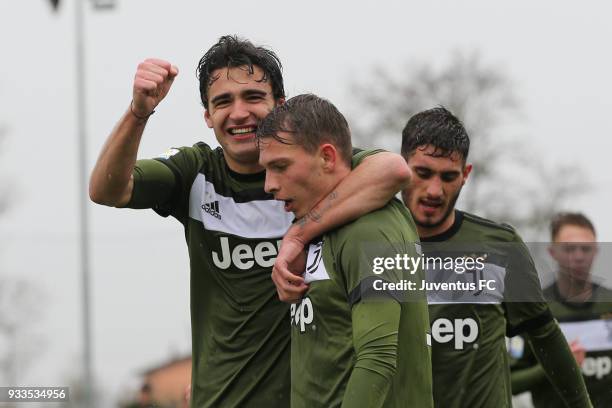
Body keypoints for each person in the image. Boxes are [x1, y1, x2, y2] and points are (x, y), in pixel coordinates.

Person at [88, 36, 411, 407]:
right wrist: (138, 111)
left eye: (253, 98)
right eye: (222, 102)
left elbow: (393, 169)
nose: (239, 113)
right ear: (208, 116)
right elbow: (106, 190)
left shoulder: (315, 175)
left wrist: (299, 233)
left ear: (280, 106)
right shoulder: (196, 172)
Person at [398, 107, 592, 407]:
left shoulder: (500, 246)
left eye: (448, 176)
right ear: (400, 167)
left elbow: (545, 335)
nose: (434, 190)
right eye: (423, 173)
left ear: (465, 175)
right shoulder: (368, 241)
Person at [257, 93, 433, 408]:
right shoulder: (318, 224)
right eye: (266, 170)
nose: (268, 184)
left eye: (280, 166)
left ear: (326, 157)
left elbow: (377, 359)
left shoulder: (370, 231)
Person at [511, 212, 612, 407]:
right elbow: (510, 381)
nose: (578, 256)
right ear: (552, 252)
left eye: (586, 248)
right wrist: (559, 364)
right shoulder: (533, 309)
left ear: (596, 251)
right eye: (569, 249)